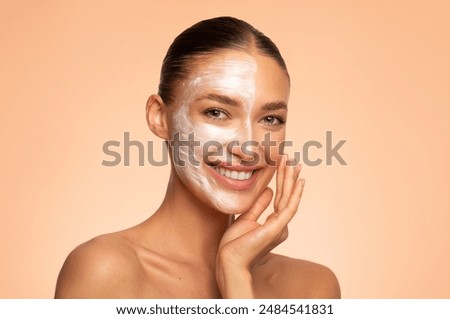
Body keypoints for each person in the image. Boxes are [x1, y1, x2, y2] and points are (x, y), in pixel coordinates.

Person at [55, 16, 340, 299]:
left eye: (271, 118)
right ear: (159, 117)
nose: (248, 147)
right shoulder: (105, 272)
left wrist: (235, 272)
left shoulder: (312, 287)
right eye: (216, 112)